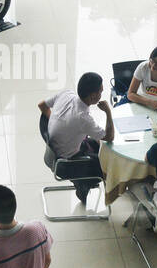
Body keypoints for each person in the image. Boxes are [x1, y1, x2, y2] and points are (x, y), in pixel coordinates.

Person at [40, 72, 114, 203]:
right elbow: (109, 136)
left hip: (56, 150)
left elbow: (42, 105)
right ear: (93, 96)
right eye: (100, 92)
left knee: (98, 144)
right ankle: (83, 184)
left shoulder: (66, 94)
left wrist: (58, 123)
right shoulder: (82, 118)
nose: (101, 95)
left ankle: (82, 183)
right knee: (106, 164)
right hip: (68, 163)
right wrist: (108, 111)